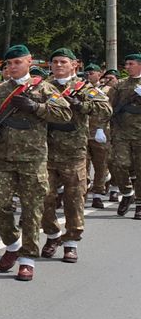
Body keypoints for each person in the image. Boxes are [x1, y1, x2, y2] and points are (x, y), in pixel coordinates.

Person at [0, 44, 71, 281]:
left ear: (29, 62)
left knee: (32, 211)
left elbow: (65, 115)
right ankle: (12, 244)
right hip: (3, 158)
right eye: (9, 64)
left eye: (17, 63)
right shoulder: (1, 91)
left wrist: (37, 107)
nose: (12, 67)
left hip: (33, 160)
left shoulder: (43, 88)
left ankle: (27, 259)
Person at [40, 48, 111, 262]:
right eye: (55, 62)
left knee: (74, 200)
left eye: (63, 62)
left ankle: (70, 242)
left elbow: (106, 110)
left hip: (74, 152)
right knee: (44, 198)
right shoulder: (43, 87)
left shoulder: (83, 88)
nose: (58, 65)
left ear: (74, 65)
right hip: (45, 151)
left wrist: (83, 105)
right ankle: (52, 235)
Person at [107, 53, 141, 219]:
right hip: (121, 132)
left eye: (130, 64)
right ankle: (127, 192)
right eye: (126, 64)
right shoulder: (120, 85)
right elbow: (107, 107)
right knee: (118, 164)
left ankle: (140, 205)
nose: (127, 67)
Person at [84, 63, 112, 208]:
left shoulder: (106, 90)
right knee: (84, 165)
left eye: (92, 72)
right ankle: (85, 190)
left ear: (99, 74)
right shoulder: (81, 89)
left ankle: (97, 194)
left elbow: (109, 110)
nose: (89, 75)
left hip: (99, 133)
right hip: (83, 133)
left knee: (101, 165)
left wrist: (102, 128)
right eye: (87, 72)